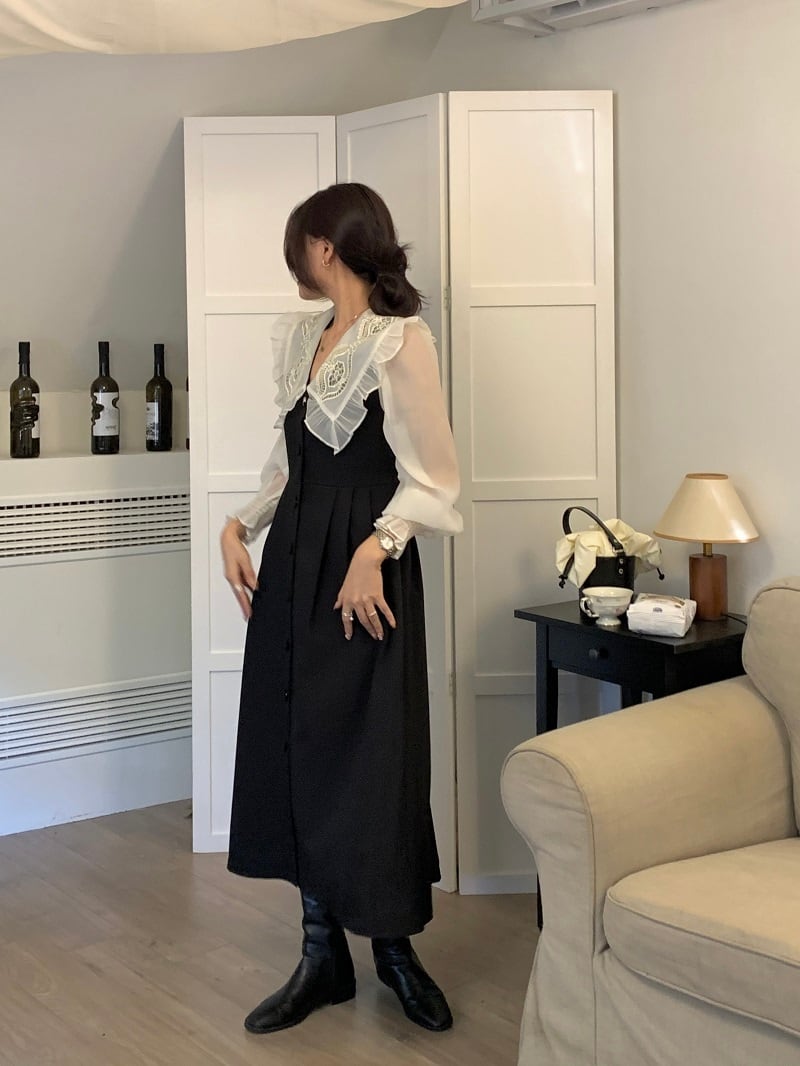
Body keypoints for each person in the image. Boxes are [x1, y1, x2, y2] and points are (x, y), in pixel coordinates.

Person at [219, 182, 463, 1037]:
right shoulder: (303, 338)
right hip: (295, 560)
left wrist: (375, 550)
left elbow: (435, 475)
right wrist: (239, 523)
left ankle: (393, 949)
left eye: (299, 244)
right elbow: (292, 461)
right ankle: (321, 954)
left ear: (325, 245)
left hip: (366, 568)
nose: (294, 260)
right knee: (300, 739)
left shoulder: (400, 340)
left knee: (374, 751)